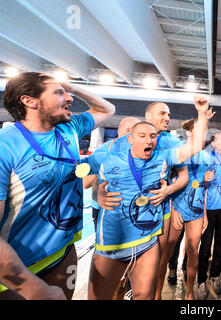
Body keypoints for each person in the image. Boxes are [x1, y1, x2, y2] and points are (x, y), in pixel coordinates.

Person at [0, 72, 115, 299]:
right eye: (59, 92)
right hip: (16, 267)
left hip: (62, 251)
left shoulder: (68, 129)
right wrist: (35, 289)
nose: (69, 98)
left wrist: (70, 85)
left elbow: (107, 110)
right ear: (29, 100)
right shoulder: (6, 146)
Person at [86, 96, 213, 300]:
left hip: (153, 224)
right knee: (112, 287)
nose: (149, 140)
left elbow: (191, 157)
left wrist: (167, 192)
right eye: (142, 135)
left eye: (152, 136)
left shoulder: (167, 149)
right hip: (114, 234)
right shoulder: (114, 148)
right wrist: (97, 193)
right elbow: (87, 178)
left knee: (150, 278)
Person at [96, 102, 190, 287]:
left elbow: (183, 176)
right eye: (162, 113)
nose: (168, 118)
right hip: (122, 215)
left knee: (157, 263)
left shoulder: (173, 143)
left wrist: (169, 194)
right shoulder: (120, 143)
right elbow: (94, 179)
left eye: (169, 114)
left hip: (160, 211)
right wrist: (97, 196)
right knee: (121, 276)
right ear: (148, 116)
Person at [157, 117, 214, 300]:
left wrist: (204, 212)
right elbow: (167, 180)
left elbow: (204, 188)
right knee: (166, 254)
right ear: (189, 132)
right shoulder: (178, 150)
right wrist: (172, 209)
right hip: (177, 208)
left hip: (196, 210)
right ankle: (157, 293)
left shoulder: (206, 156)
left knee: (193, 251)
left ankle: (190, 293)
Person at [197, 131, 221, 299]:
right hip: (209, 208)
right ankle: (200, 281)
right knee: (205, 246)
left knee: (220, 244)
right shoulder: (206, 157)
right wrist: (204, 213)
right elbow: (200, 184)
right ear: (212, 142)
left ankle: (215, 275)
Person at [83, 117, 140, 229]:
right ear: (130, 131)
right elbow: (85, 183)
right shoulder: (103, 151)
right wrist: (103, 168)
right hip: (105, 208)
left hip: (130, 208)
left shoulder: (138, 152)